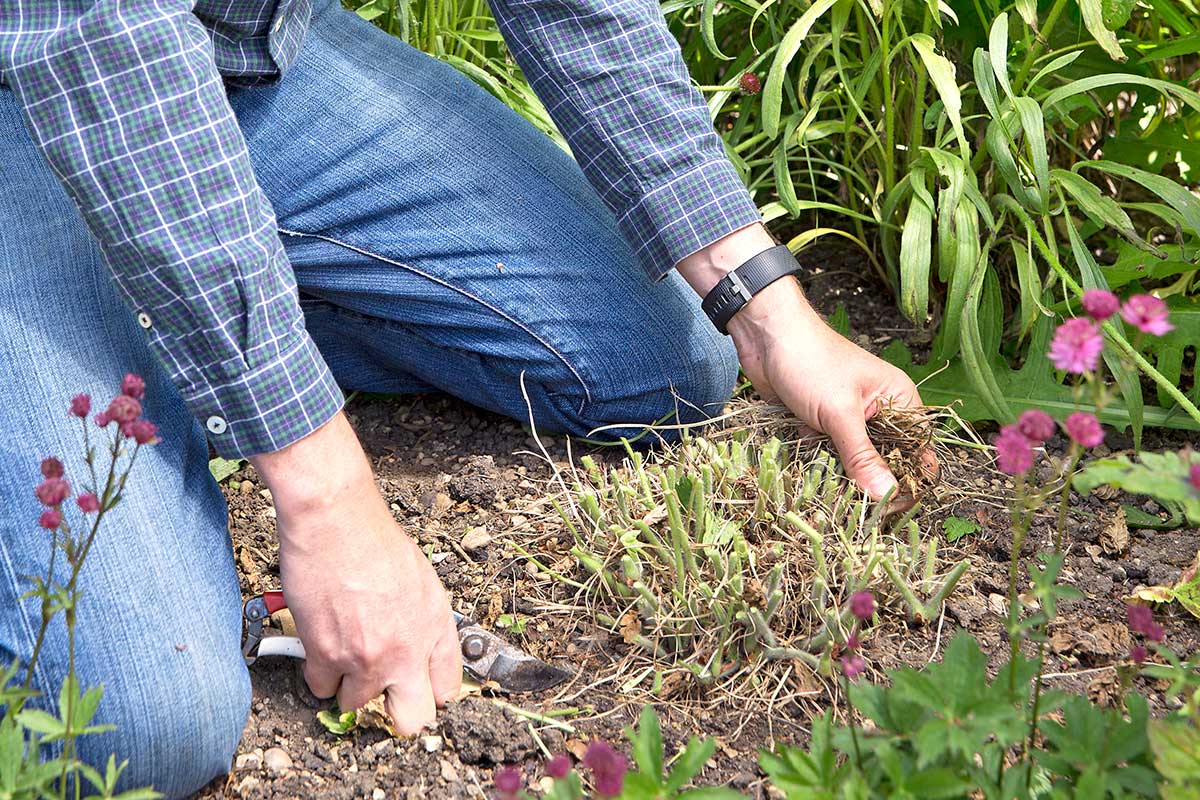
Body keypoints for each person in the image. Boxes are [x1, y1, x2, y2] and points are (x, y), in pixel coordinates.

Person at [0, 0, 923, 795]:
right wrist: (324, 493)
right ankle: (151, 335)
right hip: (43, 76)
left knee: (661, 367)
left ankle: (163, 328)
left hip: (231, 51)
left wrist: (762, 305)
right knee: (141, 728)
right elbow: (96, 35)